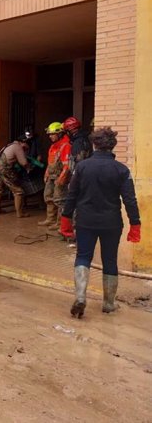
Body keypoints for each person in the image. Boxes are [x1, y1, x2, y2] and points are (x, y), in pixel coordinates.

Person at [60, 127, 141, 318]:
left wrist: (65, 219)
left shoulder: (82, 167)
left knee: (83, 257)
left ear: (94, 144)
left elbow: (72, 195)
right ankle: (109, 303)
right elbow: (130, 200)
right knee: (110, 260)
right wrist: (135, 224)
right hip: (111, 223)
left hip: (85, 221)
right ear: (113, 146)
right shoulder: (122, 170)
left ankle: (80, 297)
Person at [37, 122, 71, 230]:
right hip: (51, 176)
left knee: (59, 199)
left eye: (53, 134)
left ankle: (60, 223)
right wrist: (46, 172)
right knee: (48, 196)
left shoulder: (66, 145)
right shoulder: (53, 146)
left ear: (60, 133)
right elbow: (50, 161)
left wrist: (62, 177)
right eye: (49, 134)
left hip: (59, 176)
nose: (50, 136)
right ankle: (50, 219)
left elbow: (67, 165)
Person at [0, 135, 32, 218]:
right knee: (18, 191)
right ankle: (20, 213)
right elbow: (23, 162)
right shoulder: (18, 147)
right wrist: (29, 167)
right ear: (23, 142)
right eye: (27, 145)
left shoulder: (8, 145)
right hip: (5, 170)